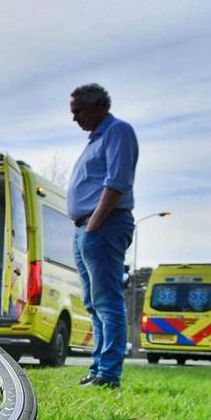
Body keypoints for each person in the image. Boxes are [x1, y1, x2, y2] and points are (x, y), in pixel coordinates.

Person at [67, 83, 138, 388]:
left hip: (104, 225)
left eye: (78, 111)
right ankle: (98, 369)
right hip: (86, 227)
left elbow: (117, 181)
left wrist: (95, 222)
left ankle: (109, 374)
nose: (75, 118)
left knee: (108, 301)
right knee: (94, 303)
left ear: (99, 106)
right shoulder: (93, 140)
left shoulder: (117, 131)